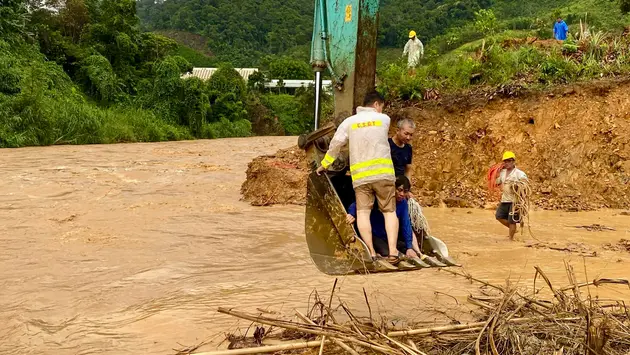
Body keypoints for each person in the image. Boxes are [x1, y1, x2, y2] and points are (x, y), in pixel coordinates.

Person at [316, 90, 400, 264]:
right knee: (389, 212)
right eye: (381, 107)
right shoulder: (384, 119)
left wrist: (325, 164)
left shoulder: (349, 122)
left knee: (363, 213)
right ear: (377, 104)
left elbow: (335, 144)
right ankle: (393, 252)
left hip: (361, 178)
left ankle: (371, 252)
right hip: (383, 175)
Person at [346, 176, 418, 259]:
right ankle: (375, 253)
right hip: (375, 235)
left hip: (388, 236)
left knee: (405, 248)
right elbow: (356, 205)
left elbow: (406, 224)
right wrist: (351, 214)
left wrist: (409, 247)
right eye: (399, 190)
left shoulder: (403, 203)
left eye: (405, 191)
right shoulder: (380, 198)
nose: (402, 194)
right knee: (385, 252)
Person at [495, 151, 528, 240]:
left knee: (512, 220)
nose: (507, 163)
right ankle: (512, 229)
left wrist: (518, 185)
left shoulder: (519, 173)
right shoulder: (502, 173)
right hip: (505, 199)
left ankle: (510, 239)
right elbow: (497, 182)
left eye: (509, 161)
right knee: (498, 216)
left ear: (513, 161)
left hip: (515, 201)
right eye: (505, 161)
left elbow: (525, 184)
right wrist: (495, 176)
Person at [389, 118, 415, 187]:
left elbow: (408, 169)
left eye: (411, 135)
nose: (408, 138)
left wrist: (407, 187)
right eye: (406, 134)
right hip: (388, 185)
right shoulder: (387, 145)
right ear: (397, 130)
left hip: (401, 187)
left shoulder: (408, 148)